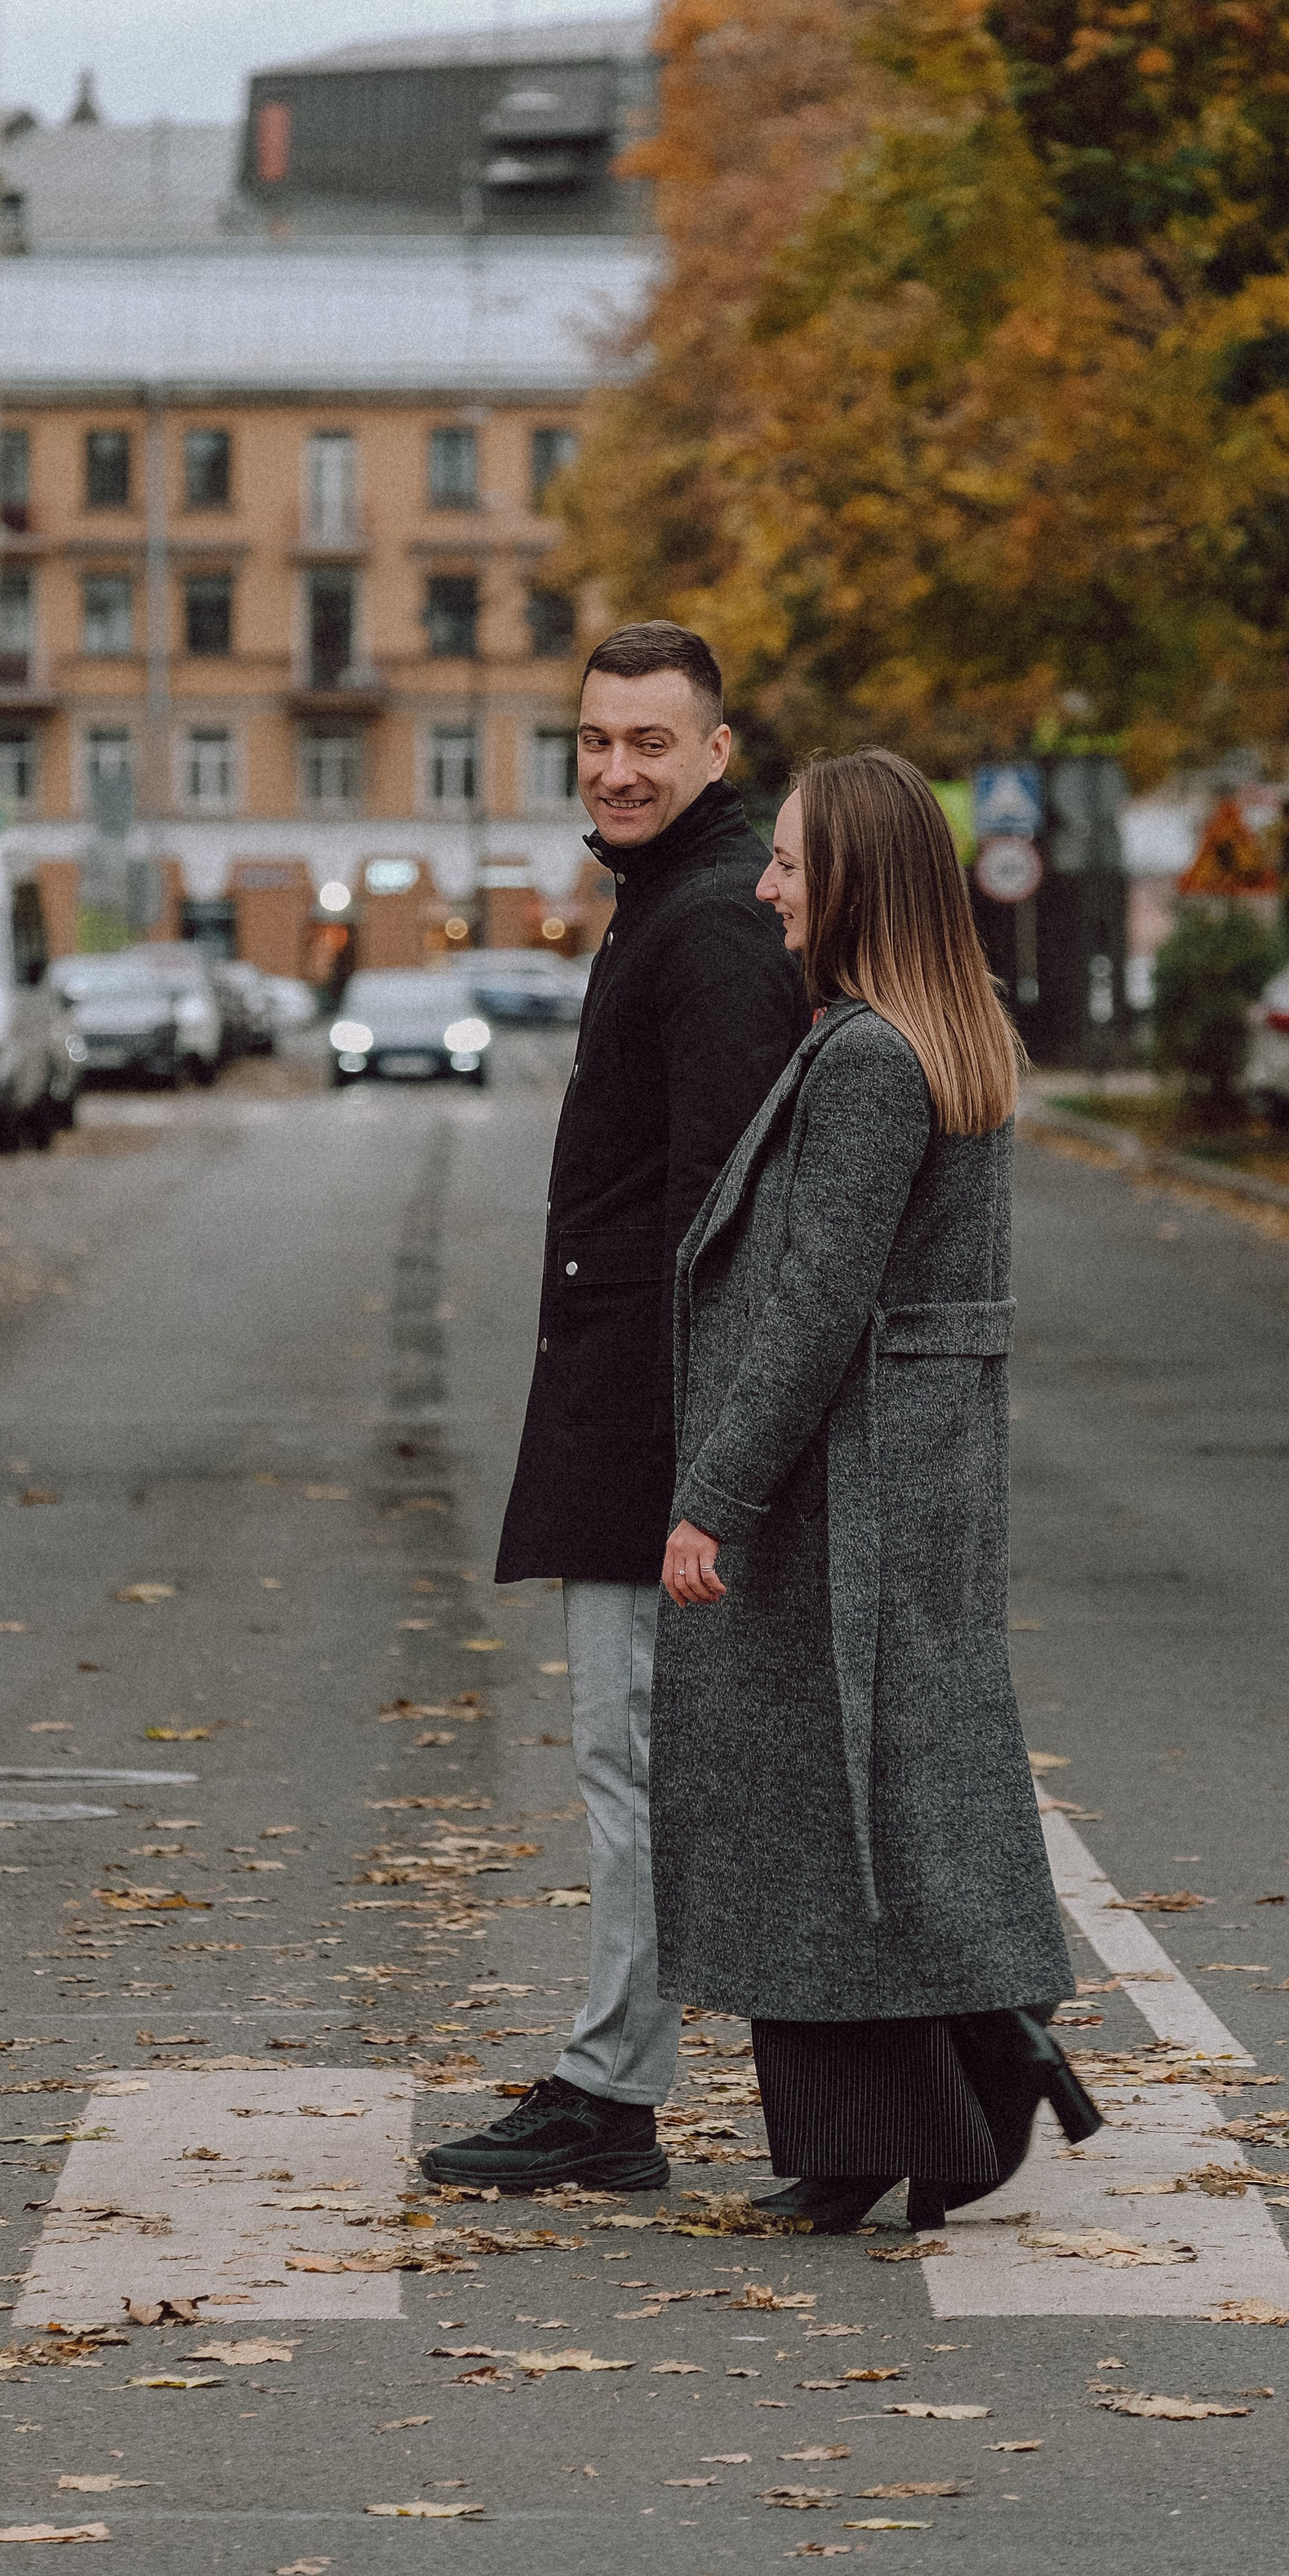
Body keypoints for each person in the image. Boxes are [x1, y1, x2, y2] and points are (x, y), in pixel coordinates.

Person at [651, 748, 1100, 2233]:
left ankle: (918, 2113)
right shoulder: (934, 1037)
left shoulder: (862, 1058)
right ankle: (969, 2074)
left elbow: (811, 1305)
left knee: (811, 1815)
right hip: (906, 1481)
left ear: (853, 878)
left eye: (787, 863)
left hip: (836, 1495)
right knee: (872, 1803)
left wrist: (716, 1495)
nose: (766, 887)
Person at [420, 621, 811, 2196]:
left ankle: (611, 2088)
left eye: (652, 741)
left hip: (661, 1433)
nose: (618, 768)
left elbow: (732, 1215)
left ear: (718, 753)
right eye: (596, 740)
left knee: (637, 1760)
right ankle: (620, 2077)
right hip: (637, 1415)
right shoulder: (677, 903)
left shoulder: (711, 923)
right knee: (647, 1763)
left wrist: (709, 1476)